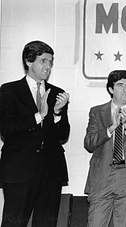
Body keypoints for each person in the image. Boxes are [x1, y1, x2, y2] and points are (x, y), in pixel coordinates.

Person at [0, 40, 70, 227]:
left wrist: (56, 114)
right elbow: (6, 128)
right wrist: (40, 115)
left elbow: (63, 134)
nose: (48, 66)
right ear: (28, 61)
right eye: (44, 61)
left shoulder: (58, 93)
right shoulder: (9, 90)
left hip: (50, 172)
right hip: (19, 171)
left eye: (51, 62)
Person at [84, 70, 126, 227]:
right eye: (120, 85)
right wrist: (112, 127)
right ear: (110, 89)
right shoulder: (97, 112)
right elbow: (89, 143)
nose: (125, 89)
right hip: (102, 175)